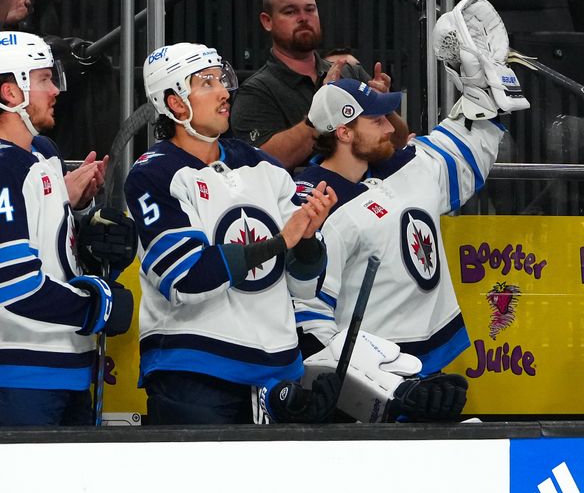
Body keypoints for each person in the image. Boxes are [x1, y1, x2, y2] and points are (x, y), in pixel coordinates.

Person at [292, 0, 529, 422]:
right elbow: (309, 319)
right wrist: (376, 388)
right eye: (376, 119)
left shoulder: (403, 168)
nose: (390, 125)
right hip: (364, 391)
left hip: (429, 367)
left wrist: (481, 87)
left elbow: (462, 153)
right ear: (343, 131)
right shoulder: (311, 201)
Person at [126, 42, 341, 425]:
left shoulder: (260, 164)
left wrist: (307, 236)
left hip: (275, 372)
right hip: (196, 377)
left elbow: (304, 285)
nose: (225, 91)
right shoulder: (153, 173)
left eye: (221, 79)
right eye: (206, 83)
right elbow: (186, 278)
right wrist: (280, 241)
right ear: (176, 102)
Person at [0, 31, 134, 426]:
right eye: (43, 79)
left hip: (72, 366)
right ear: (11, 93)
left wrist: (85, 232)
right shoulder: (5, 167)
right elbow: (13, 284)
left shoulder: (43, 154)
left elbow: (48, 250)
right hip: (21, 377)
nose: (56, 89)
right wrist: (96, 306)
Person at [230, 0, 409, 170]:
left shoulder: (350, 72)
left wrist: (384, 107)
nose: (303, 18)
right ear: (267, 21)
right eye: (290, 12)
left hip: (368, 190)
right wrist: (324, 109)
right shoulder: (255, 92)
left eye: (310, 9)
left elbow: (398, 142)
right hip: (304, 197)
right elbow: (265, 163)